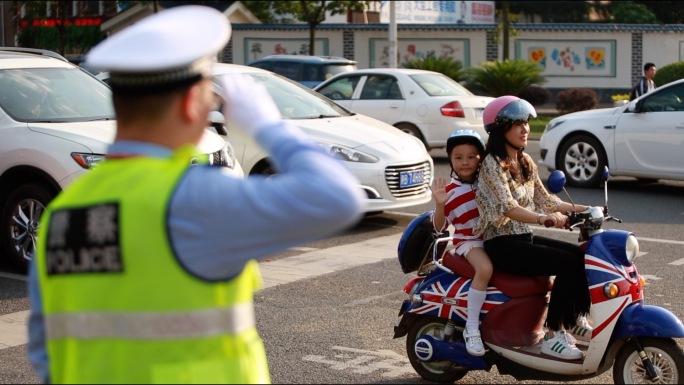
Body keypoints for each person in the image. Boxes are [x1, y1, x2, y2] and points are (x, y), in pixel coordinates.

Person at [27, 5, 365, 384]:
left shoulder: (64, 212)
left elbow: (45, 351)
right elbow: (337, 197)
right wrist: (270, 128)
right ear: (191, 103)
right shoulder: (192, 198)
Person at [474, 95, 594, 360]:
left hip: (522, 238)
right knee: (567, 264)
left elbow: (547, 200)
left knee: (583, 257)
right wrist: (542, 219)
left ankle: (572, 319)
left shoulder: (525, 161)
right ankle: (553, 336)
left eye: (526, 122)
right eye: (517, 123)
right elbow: (507, 207)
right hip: (502, 245)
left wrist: (585, 209)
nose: (524, 129)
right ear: (500, 127)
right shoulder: (491, 164)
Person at [430, 129, 492, 357]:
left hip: (494, 240)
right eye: (458, 157)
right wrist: (439, 205)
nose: (465, 162)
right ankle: (472, 327)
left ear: (481, 158)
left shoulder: (489, 184)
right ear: (450, 160)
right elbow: (438, 228)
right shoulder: (449, 192)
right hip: (469, 242)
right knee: (485, 269)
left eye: (471, 156)